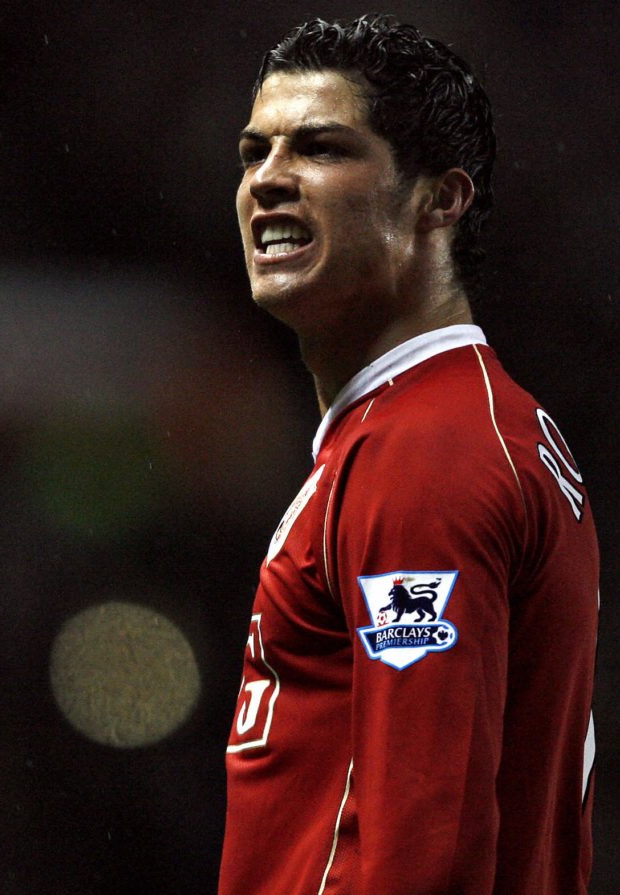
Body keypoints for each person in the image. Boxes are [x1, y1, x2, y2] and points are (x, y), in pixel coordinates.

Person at [219, 15, 598, 895]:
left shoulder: (425, 455)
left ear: (441, 198)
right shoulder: (461, 426)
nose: (269, 179)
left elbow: (428, 843)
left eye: (320, 148)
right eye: (253, 151)